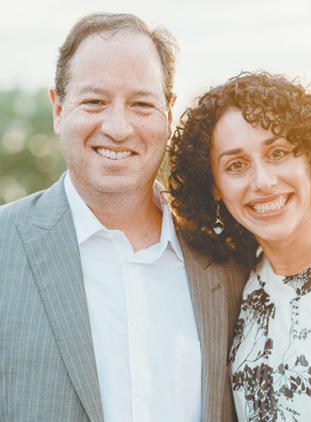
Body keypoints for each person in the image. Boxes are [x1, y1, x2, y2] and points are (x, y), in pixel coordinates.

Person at [0, 13, 247, 422]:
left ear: (168, 112)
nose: (118, 128)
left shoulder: (229, 263)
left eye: (141, 104)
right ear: (58, 108)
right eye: (94, 101)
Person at [168, 71, 311, 421]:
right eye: (236, 165)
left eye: (278, 153)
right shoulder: (242, 288)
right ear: (214, 186)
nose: (263, 181)